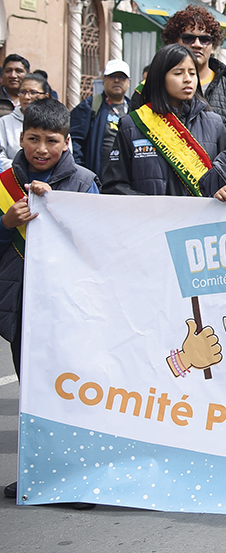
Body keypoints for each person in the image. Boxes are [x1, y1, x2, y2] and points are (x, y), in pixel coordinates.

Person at [0, 97, 100, 504]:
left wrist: (58, 211)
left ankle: (77, 478)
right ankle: (36, 474)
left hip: (69, 309)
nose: (42, 149)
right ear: (20, 137)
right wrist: (6, 223)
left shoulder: (83, 181)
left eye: (52, 140)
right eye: (33, 138)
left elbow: (100, 240)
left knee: (71, 392)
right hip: (21, 305)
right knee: (33, 394)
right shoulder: (5, 183)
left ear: (67, 142)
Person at [103, 44, 226, 196]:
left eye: (192, 73)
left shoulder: (214, 124)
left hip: (202, 218)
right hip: (151, 218)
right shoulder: (132, 124)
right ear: (159, 77)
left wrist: (222, 192)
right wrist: (154, 208)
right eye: (178, 73)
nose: (187, 79)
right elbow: (114, 186)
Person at [134, 5, 226, 142]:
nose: (197, 44)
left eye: (205, 39)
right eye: (188, 38)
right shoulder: (148, 90)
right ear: (173, 42)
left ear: (213, 46)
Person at [70, 59, 132, 177]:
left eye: (121, 77)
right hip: (97, 178)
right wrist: (81, 173)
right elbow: (75, 141)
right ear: (104, 80)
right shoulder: (90, 106)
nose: (117, 80)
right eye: (112, 77)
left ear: (128, 82)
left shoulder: (134, 109)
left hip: (124, 179)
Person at [0, 74, 52, 171]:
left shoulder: (55, 121)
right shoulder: (5, 122)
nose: (27, 97)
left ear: (46, 96)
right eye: (23, 92)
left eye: (33, 92)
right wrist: (25, 169)